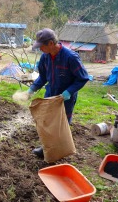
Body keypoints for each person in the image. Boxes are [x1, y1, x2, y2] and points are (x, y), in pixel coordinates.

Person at [28, 28, 89, 158]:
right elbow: (43, 77)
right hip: (50, 94)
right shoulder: (45, 57)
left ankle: (61, 150)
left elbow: (82, 78)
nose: (40, 49)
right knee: (47, 122)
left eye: (41, 46)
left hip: (65, 98)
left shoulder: (70, 57)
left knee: (62, 124)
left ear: (50, 43)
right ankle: (47, 148)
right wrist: (31, 89)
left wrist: (68, 92)